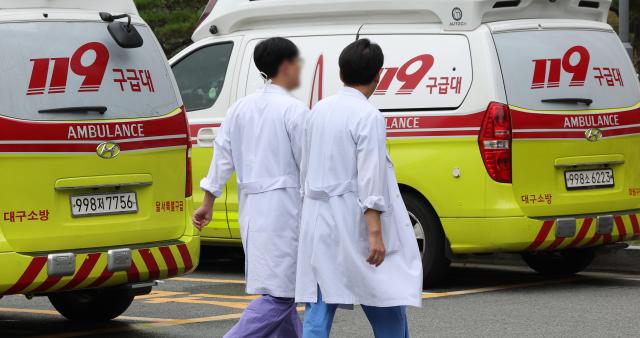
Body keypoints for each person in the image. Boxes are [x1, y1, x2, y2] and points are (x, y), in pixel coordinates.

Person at [296, 39, 423, 338]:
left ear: (340, 74)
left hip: (318, 217)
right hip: (353, 220)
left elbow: (305, 167)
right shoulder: (368, 116)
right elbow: (370, 177)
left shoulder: (318, 111)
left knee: (320, 302)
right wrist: (375, 233)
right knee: (384, 294)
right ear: (378, 75)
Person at [192, 37, 307, 338]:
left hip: (252, 210)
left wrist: (208, 201)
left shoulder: (238, 109)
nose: (299, 68)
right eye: (296, 62)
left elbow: (222, 157)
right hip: (285, 210)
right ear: (285, 66)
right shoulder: (294, 111)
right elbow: (310, 165)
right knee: (282, 294)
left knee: (282, 289)